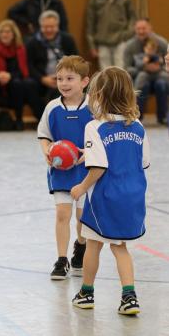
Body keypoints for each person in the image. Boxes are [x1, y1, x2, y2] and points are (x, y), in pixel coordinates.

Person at [71, 67, 150, 315]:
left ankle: (86, 292)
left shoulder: (95, 127)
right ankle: (129, 297)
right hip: (133, 196)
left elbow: (98, 167)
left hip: (104, 198)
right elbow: (142, 162)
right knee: (120, 247)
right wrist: (92, 152)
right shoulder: (137, 126)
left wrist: (81, 187)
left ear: (100, 95)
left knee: (93, 244)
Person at [38, 55, 93, 280]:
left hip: (85, 171)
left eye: (70, 78)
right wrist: (47, 151)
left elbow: (102, 137)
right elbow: (44, 136)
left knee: (81, 218)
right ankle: (62, 260)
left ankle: (80, 245)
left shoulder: (94, 106)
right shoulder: (52, 107)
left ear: (84, 81)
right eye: (59, 78)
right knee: (63, 214)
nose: (64, 83)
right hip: (60, 170)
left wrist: (89, 152)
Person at [0, 19, 43, 131]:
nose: (5, 34)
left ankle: (19, 120)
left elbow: (23, 71)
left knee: (17, 83)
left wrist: (9, 76)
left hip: (14, 82)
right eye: (2, 32)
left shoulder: (20, 49)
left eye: (8, 32)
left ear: (14, 34)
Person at [86, 0, 136, 69]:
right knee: (105, 73)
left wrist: (127, 35)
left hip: (120, 40)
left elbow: (132, 17)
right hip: (102, 41)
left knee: (121, 70)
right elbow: (90, 23)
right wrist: (92, 46)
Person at [27, 10, 78, 103]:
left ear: (57, 26)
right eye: (46, 27)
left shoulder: (68, 39)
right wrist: (42, 79)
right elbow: (29, 65)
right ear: (41, 27)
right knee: (29, 86)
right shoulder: (32, 42)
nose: (49, 30)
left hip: (66, 78)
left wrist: (63, 78)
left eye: (52, 27)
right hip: (41, 79)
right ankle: (43, 116)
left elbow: (76, 61)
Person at [124, 18, 168, 123]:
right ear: (135, 29)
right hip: (140, 77)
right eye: (138, 28)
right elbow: (126, 68)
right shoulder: (129, 46)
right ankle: (137, 117)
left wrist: (159, 68)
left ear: (150, 28)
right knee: (142, 86)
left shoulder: (162, 43)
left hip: (160, 76)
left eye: (144, 28)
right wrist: (143, 68)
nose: (141, 31)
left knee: (161, 84)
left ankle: (163, 117)